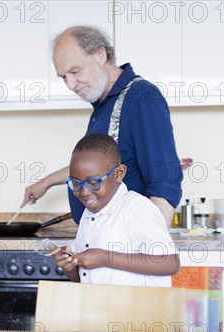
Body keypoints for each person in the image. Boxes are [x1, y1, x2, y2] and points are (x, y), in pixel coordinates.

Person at [22, 25, 182, 226]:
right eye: (64, 77)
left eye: (75, 71)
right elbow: (98, 167)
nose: (70, 85)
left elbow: (164, 182)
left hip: (125, 244)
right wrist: (46, 182)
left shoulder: (141, 97)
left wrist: (152, 249)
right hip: (101, 239)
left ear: (100, 55)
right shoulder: (105, 105)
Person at [54, 133, 179, 286]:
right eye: (75, 183)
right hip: (100, 306)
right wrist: (70, 266)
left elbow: (169, 262)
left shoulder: (136, 207)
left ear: (118, 174)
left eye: (93, 182)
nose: (84, 192)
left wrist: (105, 258)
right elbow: (84, 277)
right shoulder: (88, 214)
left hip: (137, 308)